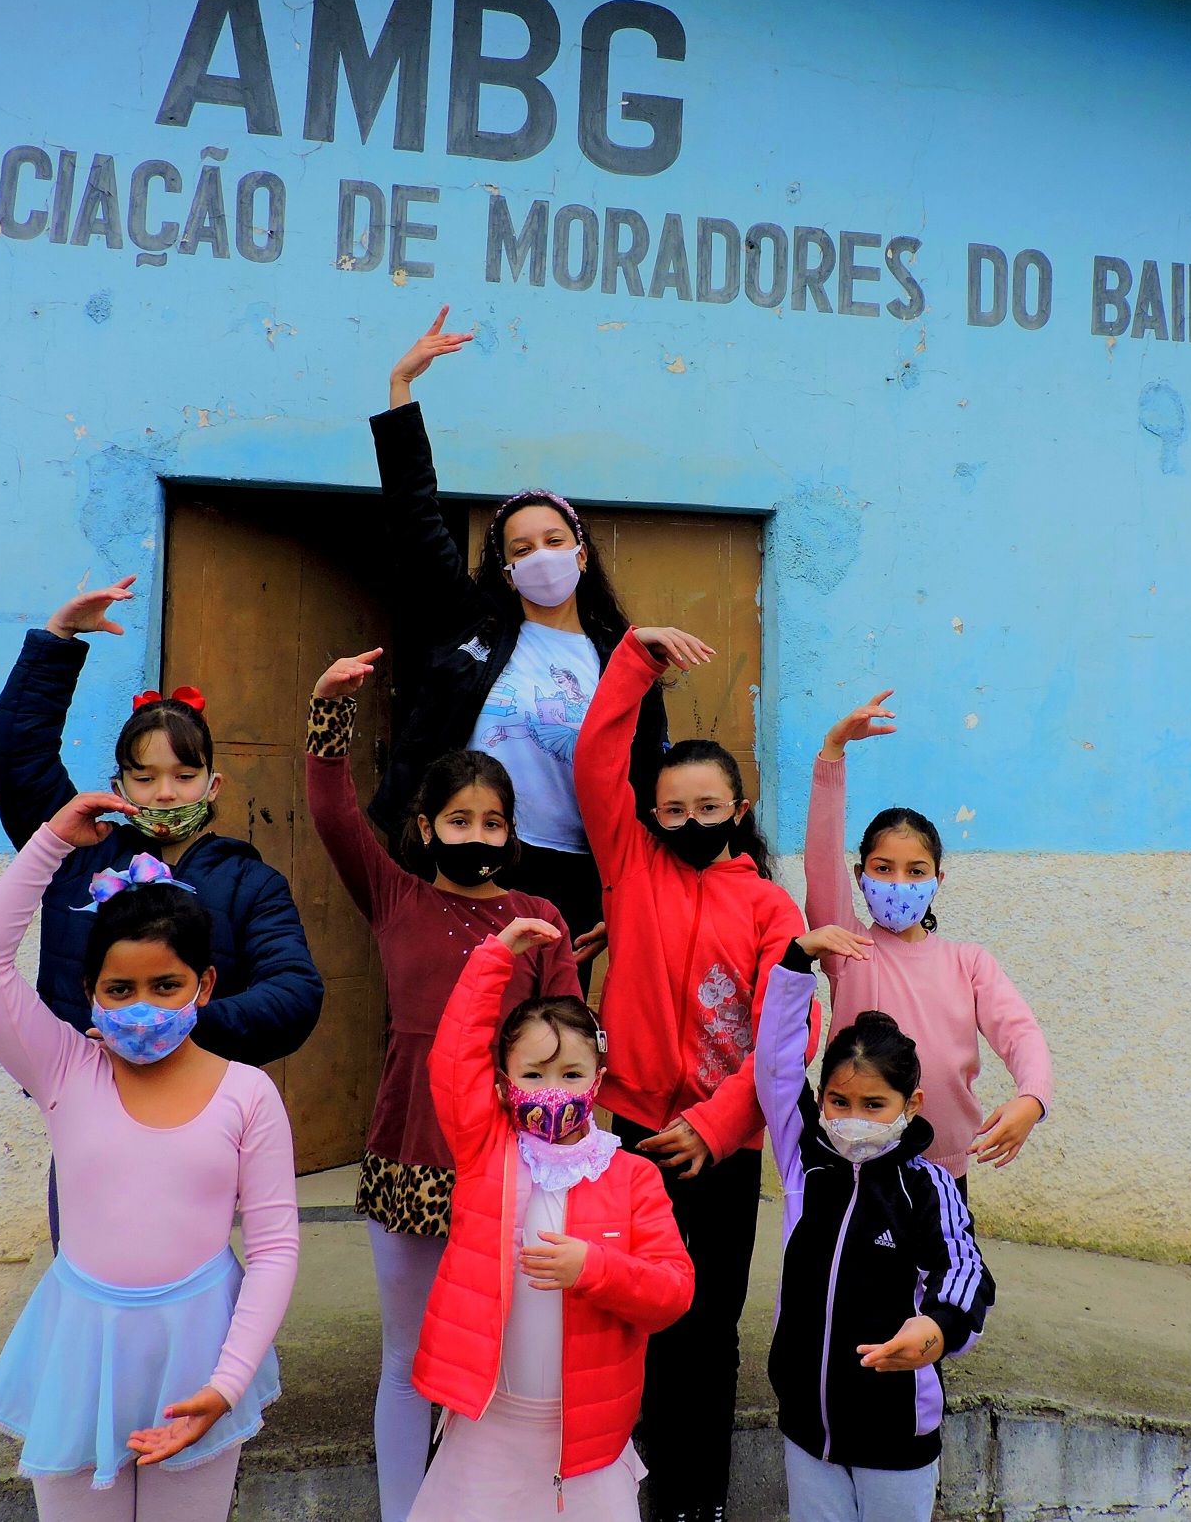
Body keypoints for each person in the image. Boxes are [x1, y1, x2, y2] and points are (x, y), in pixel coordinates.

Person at [0, 789, 299, 1521]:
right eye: (120, 989)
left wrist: (227, 1382)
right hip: (80, 1345)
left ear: (203, 985)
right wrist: (52, 842)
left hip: (201, 1352)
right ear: (89, 995)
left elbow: (273, 1249)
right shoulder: (63, 1070)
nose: (142, 1005)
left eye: (165, 986)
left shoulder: (248, 1096)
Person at [303, 648, 580, 1522]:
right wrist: (326, 713)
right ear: (425, 828)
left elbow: (569, 1037)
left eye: (493, 822)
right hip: (409, 1152)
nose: (477, 836)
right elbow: (333, 812)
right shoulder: (394, 897)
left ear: (512, 831)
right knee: (406, 1359)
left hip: (511, 1168)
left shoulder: (541, 919)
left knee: (499, 1355)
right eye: (458, 820)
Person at [574, 624, 816, 1522]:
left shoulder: (768, 904)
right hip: (631, 1137)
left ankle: (696, 1502)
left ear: (738, 805)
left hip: (718, 1151)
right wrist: (633, 659)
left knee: (708, 1333)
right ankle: (624, 1492)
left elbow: (785, 1036)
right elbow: (598, 763)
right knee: (630, 1318)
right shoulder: (629, 864)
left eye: (706, 806)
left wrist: (715, 1126)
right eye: (670, 808)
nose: (686, 822)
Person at [367, 307, 669, 970]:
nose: (540, 557)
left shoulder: (621, 654)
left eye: (554, 542)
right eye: (521, 548)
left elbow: (646, 776)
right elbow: (417, 525)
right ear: (505, 569)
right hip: (469, 856)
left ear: (582, 555)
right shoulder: (474, 628)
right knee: (453, 1021)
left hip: (577, 873)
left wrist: (631, 898)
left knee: (546, 1039)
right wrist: (400, 393)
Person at [406, 915, 694, 1520]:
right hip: (487, 1428)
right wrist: (494, 959)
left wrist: (596, 1268)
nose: (552, 1091)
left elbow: (673, 1293)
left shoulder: (632, 1175)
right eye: (532, 1075)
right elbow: (453, 1059)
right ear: (505, 1083)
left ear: (599, 1080)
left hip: (586, 1445)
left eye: (571, 1075)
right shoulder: (487, 1150)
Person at [0, 577, 324, 1066]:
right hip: (82, 1091)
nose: (165, 792)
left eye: (185, 776)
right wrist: (60, 637)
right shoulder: (77, 854)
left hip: (199, 1098)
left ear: (214, 785)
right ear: (119, 787)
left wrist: (174, 1027)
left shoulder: (254, 884)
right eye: (144, 777)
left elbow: (294, 994)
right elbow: (18, 761)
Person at [755, 934, 996, 1522]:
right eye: (838, 1102)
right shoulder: (803, 1162)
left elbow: (966, 1274)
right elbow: (776, 1066)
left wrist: (937, 1331)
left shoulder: (928, 1187)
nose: (852, 1119)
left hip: (896, 1434)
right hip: (807, 1425)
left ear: (910, 1105)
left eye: (874, 1105)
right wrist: (795, 963)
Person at [805, 691, 1052, 1191]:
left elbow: (1020, 1032)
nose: (898, 882)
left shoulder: (969, 963)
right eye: (882, 869)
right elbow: (821, 856)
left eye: (915, 871)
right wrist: (832, 752)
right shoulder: (848, 947)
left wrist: (1033, 1098)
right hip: (854, 1162)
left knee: (945, 1271)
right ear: (859, 875)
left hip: (943, 1169)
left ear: (938, 880)